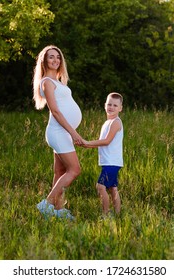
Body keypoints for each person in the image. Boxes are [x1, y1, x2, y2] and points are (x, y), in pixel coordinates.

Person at [32, 45, 83, 220]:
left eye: (58, 57)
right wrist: (74, 133)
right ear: (44, 61)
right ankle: (46, 204)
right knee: (75, 169)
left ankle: (57, 210)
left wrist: (71, 132)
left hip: (63, 132)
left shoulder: (57, 82)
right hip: (59, 132)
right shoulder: (46, 82)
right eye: (51, 57)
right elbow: (55, 111)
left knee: (60, 172)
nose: (55, 60)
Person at [81, 92, 124, 217]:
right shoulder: (107, 123)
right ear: (105, 105)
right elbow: (102, 143)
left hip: (112, 162)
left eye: (115, 105)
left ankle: (105, 215)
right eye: (109, 104)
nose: (111, 107)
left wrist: (88, 142)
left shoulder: (116, 122)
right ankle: (117, 214)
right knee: (112, 188)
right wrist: (86, 145)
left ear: (120, 108)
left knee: (100, 186)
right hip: (110, 162)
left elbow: (106, 141)